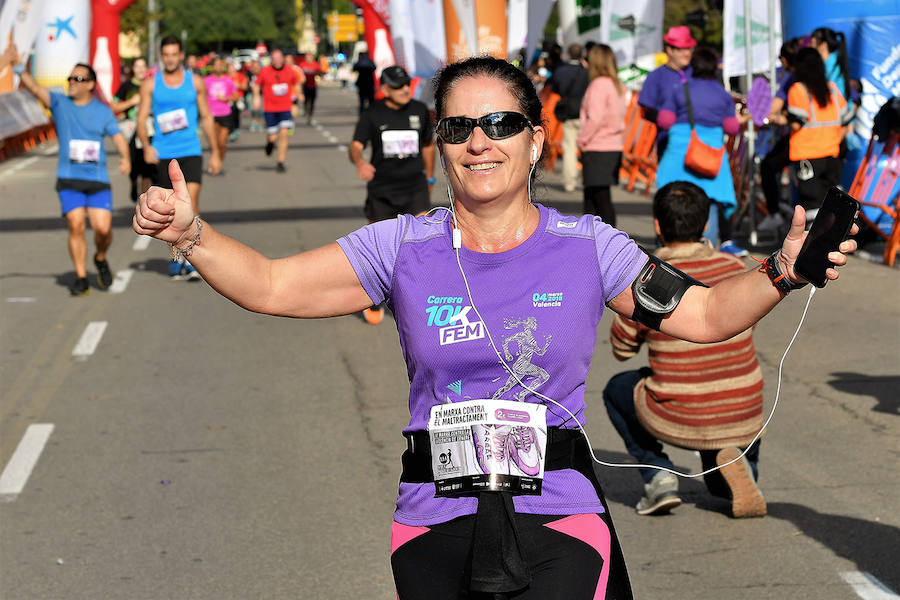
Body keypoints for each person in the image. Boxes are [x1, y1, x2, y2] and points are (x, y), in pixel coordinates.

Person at [133, 55, 857, 599]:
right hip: (433, 519)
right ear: (439, 145)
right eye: (458, 127)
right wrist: (191, 233)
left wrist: (782, 271)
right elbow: (270, 284)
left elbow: (701, 313)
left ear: (536, 142)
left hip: (558, 514)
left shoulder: (589, 246)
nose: (480, 142)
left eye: (501, 123)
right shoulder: (400, 244)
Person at [603, 181, 767, 519]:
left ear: (658, 227)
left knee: (616, 389)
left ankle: (658, 474)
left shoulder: (644, 281)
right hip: (743, 409)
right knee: (720, 481)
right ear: (706, 225)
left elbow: (621, 349)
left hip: (681, 411)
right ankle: (736, 462)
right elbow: (750, 323)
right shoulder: (737, 270)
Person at [14, 54, 129, 296]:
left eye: (79, 78)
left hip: (97, 180)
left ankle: (99, 257)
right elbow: (35, 89)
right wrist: (18, 68)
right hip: (69, 179)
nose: (73, 82)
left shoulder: (102, 111)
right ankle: (80, 277)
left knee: (103, 230)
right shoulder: (59, 103)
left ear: (90, 84)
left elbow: (118, 136)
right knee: (76, 225)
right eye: (70, 78)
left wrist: (125, 157)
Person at [348, 65, 435, 325]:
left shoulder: (419, 110)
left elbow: (428, 146)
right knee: (379, 248)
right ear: (384, 89)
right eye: (398, 86)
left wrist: (430, 177)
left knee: (422, 245)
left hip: (414, 187)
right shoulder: (372, 114)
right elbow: (355, 146)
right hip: (382, 190)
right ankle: (373, 297)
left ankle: (421, 301)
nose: (405, 89)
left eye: (407, 83)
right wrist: (360, 163)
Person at [137, 34, 221, 280]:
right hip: (164, 154)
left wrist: (215, 151)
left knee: (191, 204)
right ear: (161, 57)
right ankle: (176, 257)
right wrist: (146, 146)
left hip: (190, 150)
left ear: (181, 55)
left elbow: (206, 117)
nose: (171, 59)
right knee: (171, 210)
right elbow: (141, 117)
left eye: (175, 54)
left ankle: (193, 258)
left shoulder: (194, 82)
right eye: (166, 55)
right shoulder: (151, 85)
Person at [654, 46, 747, 256]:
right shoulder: (722, 95)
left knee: (670, 200)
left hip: (679, 156)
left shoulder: (680, 89)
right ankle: (704, 255)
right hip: (710, 157)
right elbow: (732, 127)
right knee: (709, 203)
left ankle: (668, 255)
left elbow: (665, 120)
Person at [786, 47, 853, 216]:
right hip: (832, 155)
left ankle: (814, 241)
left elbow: (795, 125)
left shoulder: (798, 90)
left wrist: (781, 118)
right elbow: (846, 121)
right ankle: (837, 238)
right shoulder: (831, 89)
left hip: (808, 157)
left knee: (812, 205)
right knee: (834, 202)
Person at [577, 44, 626, 226]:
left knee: (596, 200)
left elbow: (595, 118)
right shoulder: (618, 85)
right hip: (613, 145)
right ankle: (594, 237)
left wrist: (582, 140)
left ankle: (604, 239)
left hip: (597, 145)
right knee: (597, 197)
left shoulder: (598, 85)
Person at [759, 38, 802, 232]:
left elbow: (775, 110)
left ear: (785, 60)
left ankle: (775, 212)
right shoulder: (812, 77)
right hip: (823, 142)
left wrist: (774, 116)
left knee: (768, 166)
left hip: (803, 140)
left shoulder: (793, 79)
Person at [637, 26, 695, 157]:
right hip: (669, 146)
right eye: (681, 49)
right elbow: (645, 110)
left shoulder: (698, 73)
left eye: (689, 48)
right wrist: (665, 119)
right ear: (669, 50)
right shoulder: (656, 76)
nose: (687, 53)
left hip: (698, 146)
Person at [252, 48, 303, 173]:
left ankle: (280, 162)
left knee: (284, 134)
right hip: (270, 108)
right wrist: (257, 98)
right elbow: (257, 85)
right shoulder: (265, 71)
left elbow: (296, 84)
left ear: (283, 59)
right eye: (275, 59)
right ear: (271, 60)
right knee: (273, 136)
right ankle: (270, 144)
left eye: (279, 58)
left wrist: (297, 99)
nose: (278, 61)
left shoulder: (289, 71)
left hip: (285, 107)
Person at [111, 56, 154, 203]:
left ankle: (145, 199)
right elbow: (114, 106)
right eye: (137, 66)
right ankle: (133, 184)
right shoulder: (126, 86)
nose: (141, 69)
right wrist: (131, 102)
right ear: (133, 69)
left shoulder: (153, 84)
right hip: (131, 130)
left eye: (143, 66)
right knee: (135, 167)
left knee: (148, 167)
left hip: (150, 129)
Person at [548, 43, 588, 193]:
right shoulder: (586, 72)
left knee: (569, 147)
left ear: (569, 54)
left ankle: (570, 182)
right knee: (586, 147)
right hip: (585, 112)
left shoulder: (561, 70)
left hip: (568, 112)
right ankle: (586, 179)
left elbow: (555, 87)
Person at [204, 56, 239, 166]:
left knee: (222, 143)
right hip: (211, 114)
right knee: (215, 143)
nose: (218, 67)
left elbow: (236, 97)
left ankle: (219, 161)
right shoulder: (206, 80)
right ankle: (215, 161)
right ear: (212, 67)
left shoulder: (228, 80)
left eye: (220, 65)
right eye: (216, 65)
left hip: (225, 113)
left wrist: (227, 98)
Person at [299, 52, 323, 125]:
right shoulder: (302, 65)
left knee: (312, 102)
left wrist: (318, 74)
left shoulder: (315, 65)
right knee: (305, 101)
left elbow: (319, 73)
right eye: (307, 57)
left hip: (313, 86)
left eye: (310, 57)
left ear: (312, 58)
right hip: (304, 86)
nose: (308, 58)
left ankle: (310, 115)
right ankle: (306, 110)